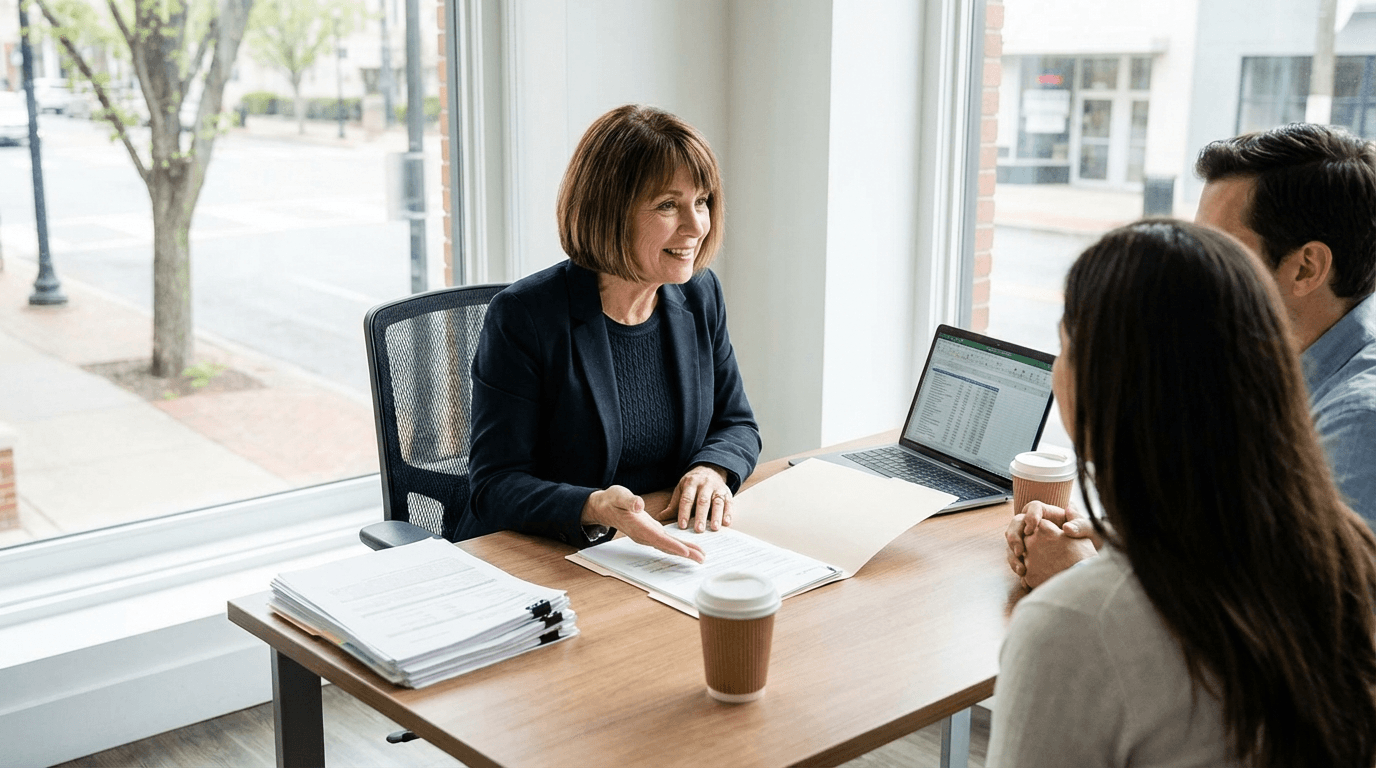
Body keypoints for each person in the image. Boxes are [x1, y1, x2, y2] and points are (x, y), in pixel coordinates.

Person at [986, 220, 1376, 767]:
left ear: (1104, 383)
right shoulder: (1349, 555)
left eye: (1064, 344)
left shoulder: (1070, 626)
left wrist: (1090, 580)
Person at [1007, 122, 1376, 587]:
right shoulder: (1270, 360)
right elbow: (1240, 553)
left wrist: (1078, 579)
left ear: (1305, 268)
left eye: (1220, 247)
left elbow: (1304, 638)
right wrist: (1115, 543)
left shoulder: (1362, 425)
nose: (1198, 265)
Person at [456, 104, 761, 563]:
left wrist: (712, 468)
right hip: (543, 557)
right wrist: (593, 506)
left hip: (661, 549)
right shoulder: (524, 316)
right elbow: (495, 484)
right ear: (610, 211)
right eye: (667, 205)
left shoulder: (700, 294)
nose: (697, 226)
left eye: (702, 201)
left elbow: (736, 422)